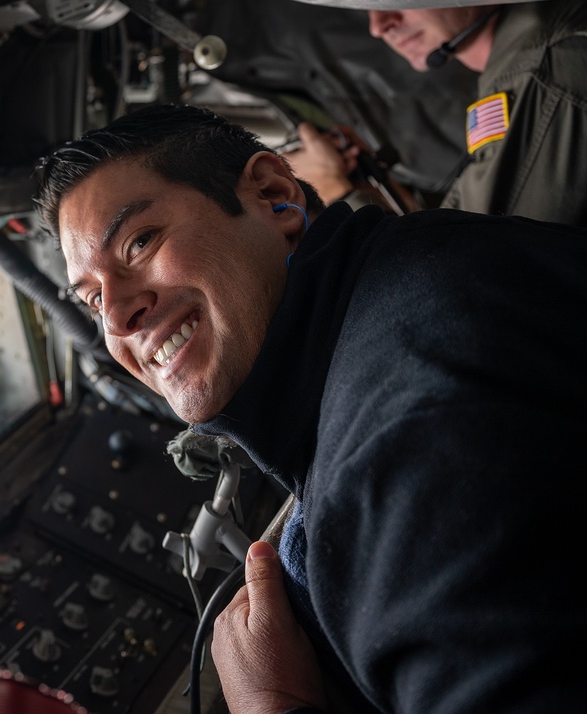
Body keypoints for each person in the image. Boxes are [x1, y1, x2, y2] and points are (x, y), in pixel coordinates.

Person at [33, 102, 587, 713]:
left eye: (139, 241)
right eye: (90, 300)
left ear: (274, 196)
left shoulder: (402, 443)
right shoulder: (414, 267)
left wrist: (274, 704)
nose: (115, 316)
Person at [284, 0, 587, 226]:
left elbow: (475, 267)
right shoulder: (527, 59)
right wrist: (386, 197)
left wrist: (339, 193)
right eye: (368, 6)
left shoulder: (539, 72)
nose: (378, 26)